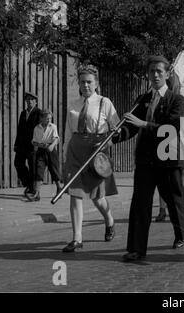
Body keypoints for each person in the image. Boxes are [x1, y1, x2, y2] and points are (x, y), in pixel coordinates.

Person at [113, 56, 184, 262]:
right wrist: (116, 136)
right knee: (140, 204)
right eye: (152, 71)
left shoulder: (177, 100)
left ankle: (180, 233)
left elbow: (173, 128)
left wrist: (144, 124)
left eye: (159, 71)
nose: (155, 75)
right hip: (146, 161)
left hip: (169, 160)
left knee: (174, 201)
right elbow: (131, 126)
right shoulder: (142, 99)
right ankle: (137, 249)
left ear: (167, 74)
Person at [62, 65, 120, 252]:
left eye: (89, 82)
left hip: (95, 153)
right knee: (75, 194)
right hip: (75, 152)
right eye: (82, 82)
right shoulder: (73, 104)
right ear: (78, 83)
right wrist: (65, 155)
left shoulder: (105, 103)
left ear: (96, 83)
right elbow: (68, 131)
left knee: (97, 197)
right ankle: (77, 238)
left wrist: (105, 144)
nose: (85, 85)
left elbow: (117, 129)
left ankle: (109, 219)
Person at [27, 109, 62, 201]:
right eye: (47, 119)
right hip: (40, 151)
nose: (49, 120)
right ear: (41, 118)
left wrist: (52, 146)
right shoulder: (37, 128)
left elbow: (56, 138)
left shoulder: (53, 127)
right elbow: (33, 141)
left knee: (54, 170)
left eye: (50, 119)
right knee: (39, 171)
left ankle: (59, 189)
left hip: (51, 150)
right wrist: (38, 145)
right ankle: (37, 194)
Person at [14, 92, 42, 198]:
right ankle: (28, 184)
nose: (29, 101)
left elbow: (40, 129)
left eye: (31, 99)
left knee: (32, 167)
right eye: (27, 100)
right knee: (18, 163)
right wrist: (16, 144)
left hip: (33, 145)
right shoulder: (23, 113)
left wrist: (37, 144)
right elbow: (19, 130)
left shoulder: (38, 113)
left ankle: (32, 189)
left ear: (36, 101)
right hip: (21, 145)